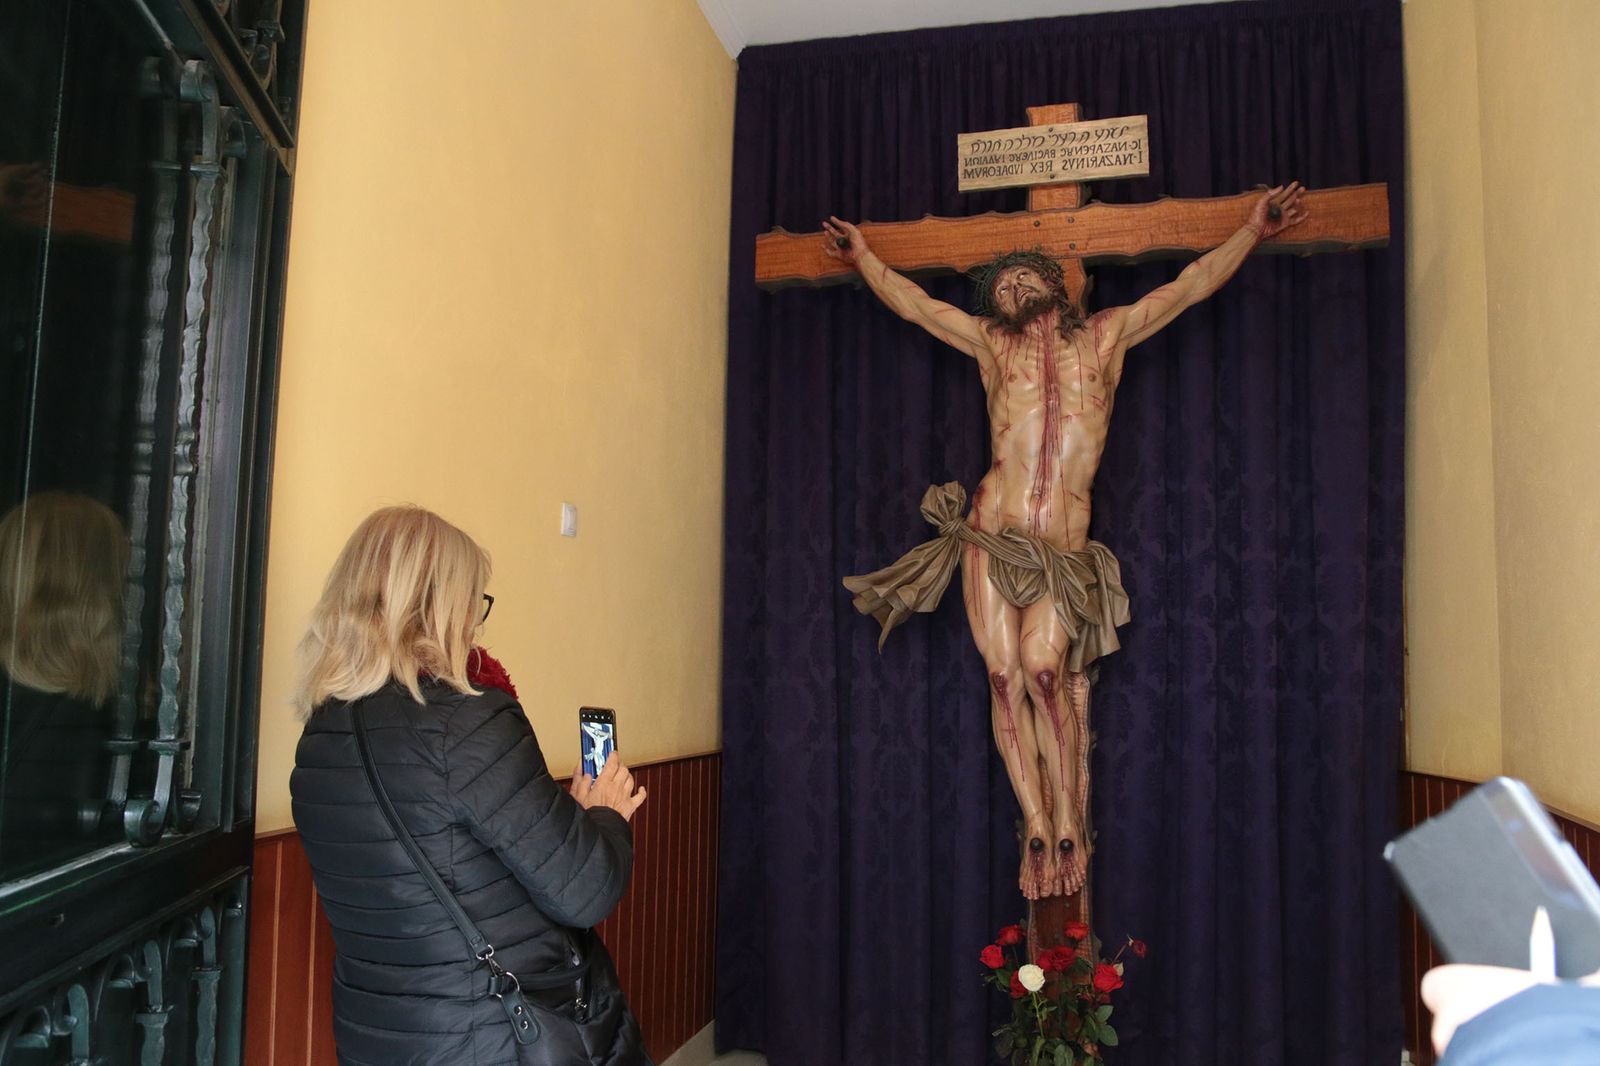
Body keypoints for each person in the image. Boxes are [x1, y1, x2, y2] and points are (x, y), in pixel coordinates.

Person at [823, 184, 1308, 899]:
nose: (1013, 284)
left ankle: (1071, 815)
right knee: (1001, 677)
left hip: (1058, 549)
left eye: (1025, 276)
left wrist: (1251, 231)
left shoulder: (1107, 336)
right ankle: (1039, 826)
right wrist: (865, 258)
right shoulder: (992, 345)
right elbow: (919, 306)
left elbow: (1188, 287)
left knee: (1044, 672)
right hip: (993, 533)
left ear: (1055, 287)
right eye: (1003, 283)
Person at [290, 506, 650, 1064]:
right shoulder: (465, 723)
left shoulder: (319, 738)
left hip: (381, 1036)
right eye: (471, 602)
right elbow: (586, 891)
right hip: (492, 1035)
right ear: (435, 606)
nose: (473, 624)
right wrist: (603, 814)